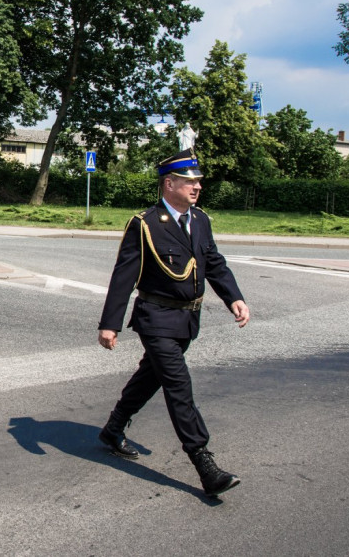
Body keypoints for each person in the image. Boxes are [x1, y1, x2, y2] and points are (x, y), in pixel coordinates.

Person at [96, 149, 250, 499]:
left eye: (197, 181)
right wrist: (110, 324)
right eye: (189, 181)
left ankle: (113, 428)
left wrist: (234, 297)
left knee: (150, 376)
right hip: (156, 319)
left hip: (186, 320)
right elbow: (124, 275)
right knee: (179, 388)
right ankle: (203, 461)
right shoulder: (146, 224)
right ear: (170, 184)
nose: (197, 187)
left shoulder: (201, 220)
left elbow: (214, 262)